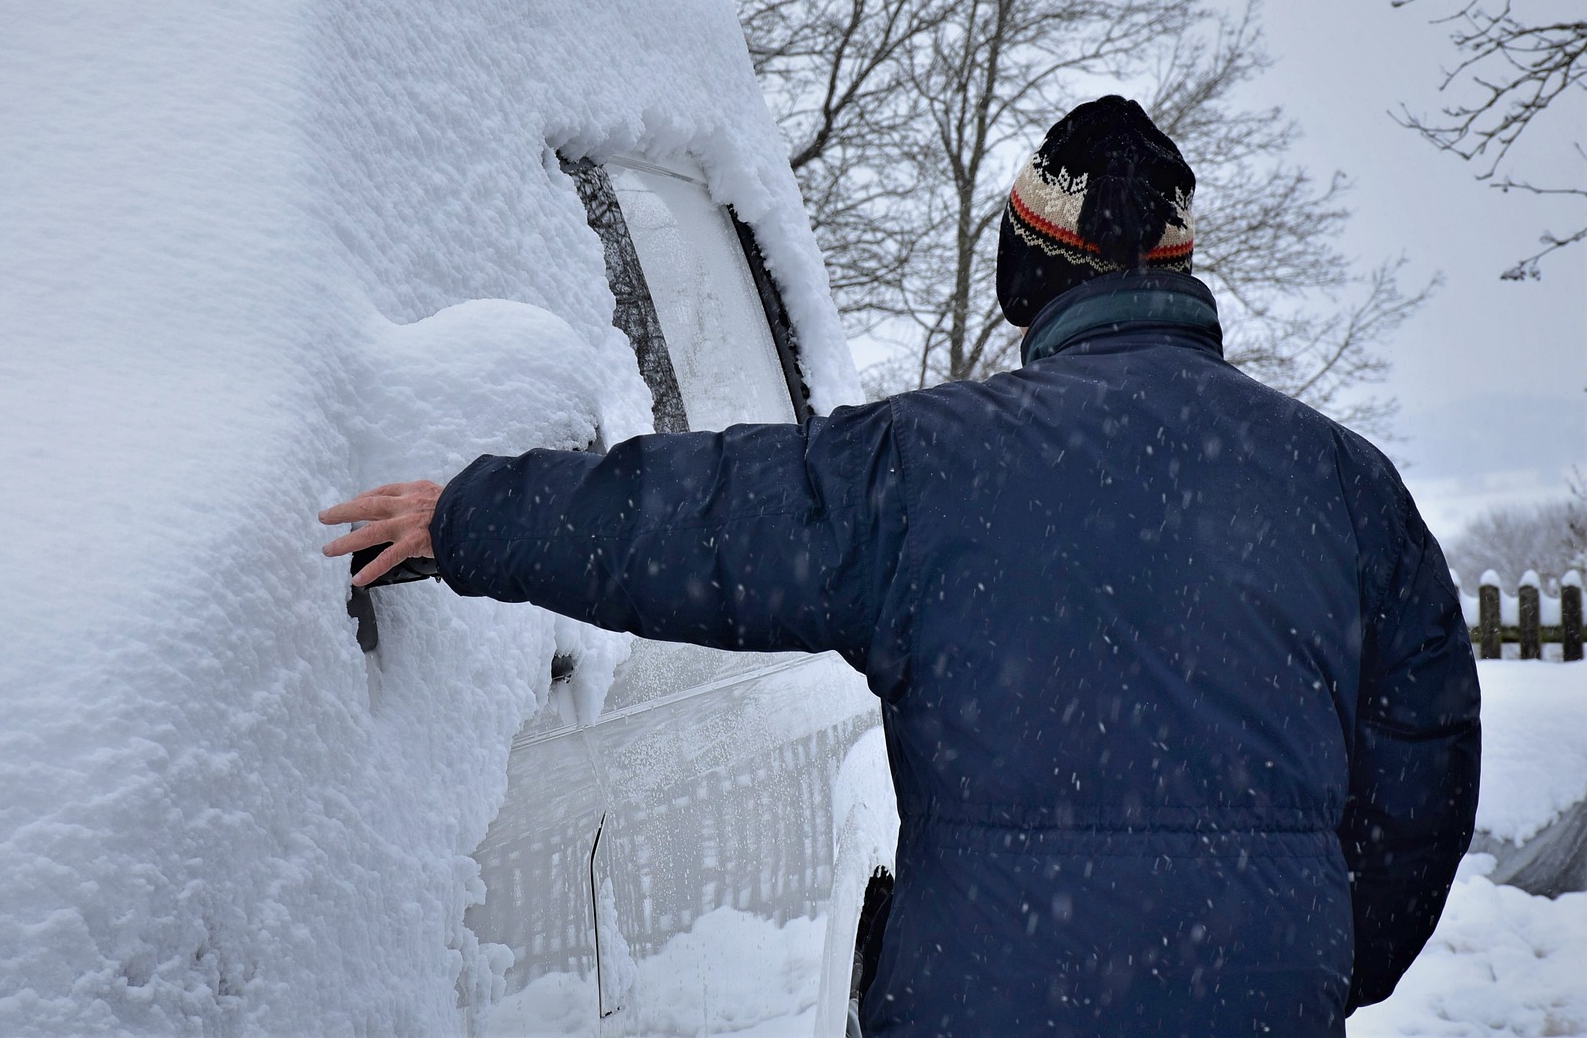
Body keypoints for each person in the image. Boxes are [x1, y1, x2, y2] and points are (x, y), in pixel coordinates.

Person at [320, 95, 1481, 1037]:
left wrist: (470, 517)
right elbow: (1423, 787)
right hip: (1259, 1004)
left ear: (1027, 271)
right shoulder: (1347, 487)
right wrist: (1308, 958)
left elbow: (699, 520)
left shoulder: (927, 467)